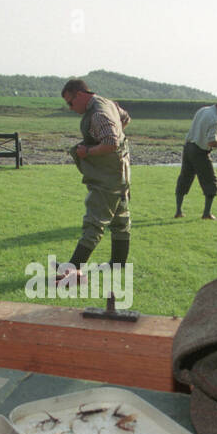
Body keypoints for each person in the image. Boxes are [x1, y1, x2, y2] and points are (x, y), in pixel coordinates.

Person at [55, 79, 131, 287]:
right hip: (121, 171)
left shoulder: (97, 113)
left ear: (79, 94)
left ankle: (71, 269)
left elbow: (110, 142)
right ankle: (118, 263)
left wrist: (88, 151)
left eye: (71, 103)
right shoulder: (107, 103)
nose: (71, 108)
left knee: (94, 221)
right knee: (119, 219)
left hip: (107, 175)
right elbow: (125, 120)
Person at [176, 97, 217, 220]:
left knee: (184, 178)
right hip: (199, 152)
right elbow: (211, 142)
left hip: (188, 148)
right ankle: (206, 214)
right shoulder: (215, 119)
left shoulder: (203, 110)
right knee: (210, 181)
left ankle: (178, 211)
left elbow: (202, 133)